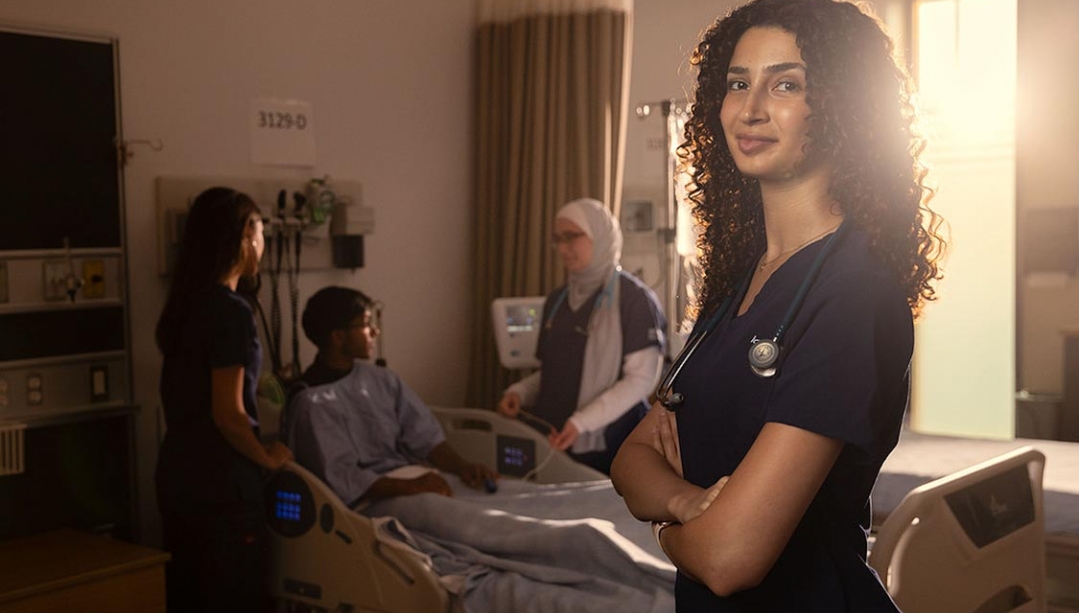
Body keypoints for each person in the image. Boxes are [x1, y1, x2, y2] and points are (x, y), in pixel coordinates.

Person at [610, 0, 946, 610]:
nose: (751, 108)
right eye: (738, 83)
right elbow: (631, 458)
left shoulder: (851, 294)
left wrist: (662, 525)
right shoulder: (739, 283)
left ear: (841, 108)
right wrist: (688, 505)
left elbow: (729, 558)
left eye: (786, 84)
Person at [155, 187, 293, 613]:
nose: (263, 242)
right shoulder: (231, 312)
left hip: (178, 475)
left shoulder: (185, 305)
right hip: (222, 488)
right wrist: (266, 457)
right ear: (244, 238)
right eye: (261, 230)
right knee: (232, 597)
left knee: (191, 596)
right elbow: (228, 414)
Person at [495, 197, 668, 475]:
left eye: (571, 237)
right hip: (556, 441)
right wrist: (520, 392)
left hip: (612, 444)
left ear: (600, 236)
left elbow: (641, 380)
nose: (562, 249)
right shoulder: (557, 301)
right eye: (557, 239)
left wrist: (582, 422)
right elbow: (552, 372)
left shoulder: (635, 300)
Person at [286, 286, 499, 506]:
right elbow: (344, 478)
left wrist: (462, 467)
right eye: (366, 325)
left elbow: (425, 437)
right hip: (371, 500)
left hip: (410, 480)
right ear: (338, 337)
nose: (375, 332)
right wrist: (414, 487)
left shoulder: (382, 380)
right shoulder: (312, 403)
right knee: (475, 520)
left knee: (499, 495)